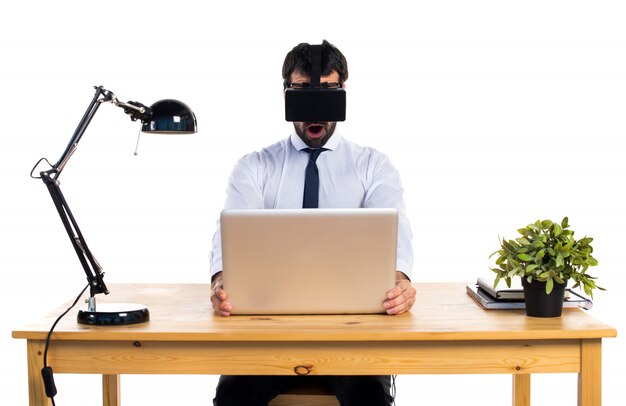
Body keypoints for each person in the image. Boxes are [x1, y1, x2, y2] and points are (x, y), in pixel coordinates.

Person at [209, 40, 415, 406]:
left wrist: (400, 283)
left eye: (326, 92)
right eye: (302, 92)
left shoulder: (373, 165)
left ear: (343, 93)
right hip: (266, 336)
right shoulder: (255, 166)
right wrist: (222, 282)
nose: (314, 110)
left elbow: (395, 234)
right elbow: (229, 235)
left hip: (353, 338)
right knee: (232, 397)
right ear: (286, 93)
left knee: (369, 398)